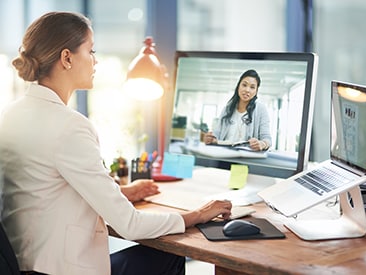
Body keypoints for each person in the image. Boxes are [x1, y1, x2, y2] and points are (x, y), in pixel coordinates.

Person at [0, 11, 232, 275]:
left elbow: (47, 189)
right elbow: (130, 225)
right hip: (63, 270)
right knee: (168, 257)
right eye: (91, 51)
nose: (95, 62)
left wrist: (122, 193)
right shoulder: (69, 126)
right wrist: (199, 214)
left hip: (27, 264)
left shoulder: (11, 114)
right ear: (67, 58)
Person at [204, 69, 272, 151]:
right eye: (244, 85)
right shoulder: (227, 109)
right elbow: (217, 134)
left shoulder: (261, 109)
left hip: (245, 157)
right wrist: (210, 139)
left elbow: (267, 139)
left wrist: (262, 144)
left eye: (252, 87)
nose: (247, 90)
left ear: (256, 91)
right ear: (238, 86)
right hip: (223, 154)